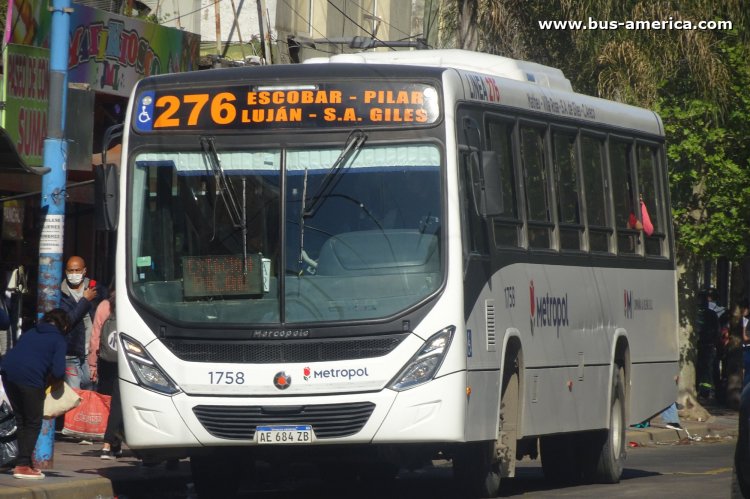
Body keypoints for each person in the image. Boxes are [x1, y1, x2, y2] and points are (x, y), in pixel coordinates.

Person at [0, 309, 69, 479]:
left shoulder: (31, 331)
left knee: (21, 419)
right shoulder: (58, 339)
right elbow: (59, 372)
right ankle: (23, 465)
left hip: (8, 373)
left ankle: (24, 461)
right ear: (64, 326)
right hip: (30, 379)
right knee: (33, 422)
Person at [59, 256, 105, 391]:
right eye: (70, 271)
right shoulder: (60, 293)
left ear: (84, 271)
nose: (74, 274)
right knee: (74, 392)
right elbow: (68, 320)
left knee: (89, 387)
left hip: (91, 352)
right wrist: (85, 300)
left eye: (77, 270)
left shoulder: (96, 289)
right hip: (71, 352)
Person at [88, 288, 123, 459]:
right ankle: (109, 443)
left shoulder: (103, 305)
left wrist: (92, 364)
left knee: (107, 402)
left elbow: (95, 337)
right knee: (118, 403)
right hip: (125, 361)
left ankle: (111, 443)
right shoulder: (130, 305)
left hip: (105, 361)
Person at [696, 288, 724, 399]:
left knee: (702, 368)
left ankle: (702, 390)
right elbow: (717, 331)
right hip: (709, 346)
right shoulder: (711, 314)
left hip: (701, 345)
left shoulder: (695, 313)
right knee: (708, 369)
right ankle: (705, 392)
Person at [741, 300, 750, 389]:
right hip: (742, 349)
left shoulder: (747, 321)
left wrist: (743, 329)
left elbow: (745, 338)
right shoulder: (742, 320)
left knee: (747, 372)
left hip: (748, 349)